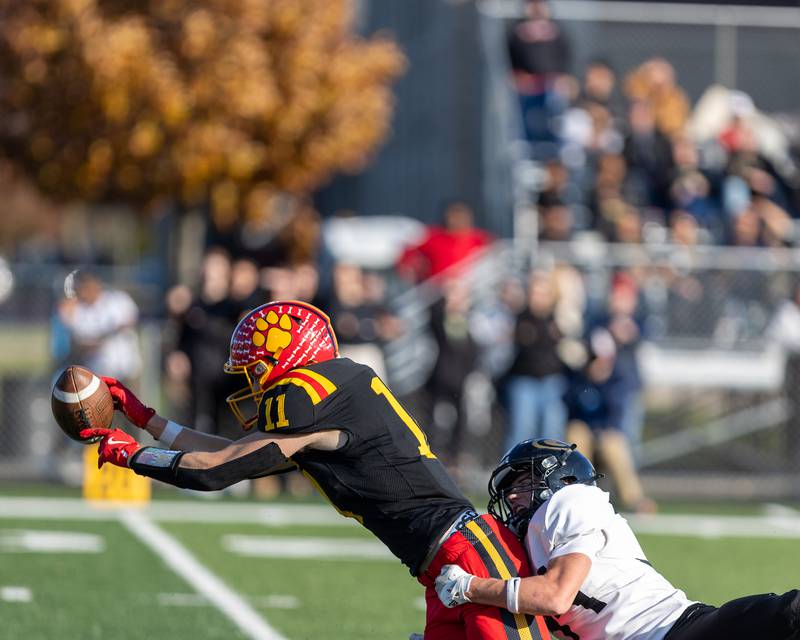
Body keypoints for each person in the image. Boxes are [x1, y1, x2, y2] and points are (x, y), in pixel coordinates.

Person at [80, 300, 551, 640]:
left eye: (260, 368)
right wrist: (145, 420)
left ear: (288, 357)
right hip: (443, 563)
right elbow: (230, 453)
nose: (256, 382)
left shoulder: (307, 394)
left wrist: (132, 455)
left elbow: (215, 471)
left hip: (467, 553)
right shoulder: (331, 385)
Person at [435, 439, 800, 640]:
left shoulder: (570, 500)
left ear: (559, 479)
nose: (512, 497)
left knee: (789, 614)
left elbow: (554, 595)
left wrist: (471, 587)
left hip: (674, 630)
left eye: (521, 483)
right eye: (510, 489)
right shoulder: (531, 546)